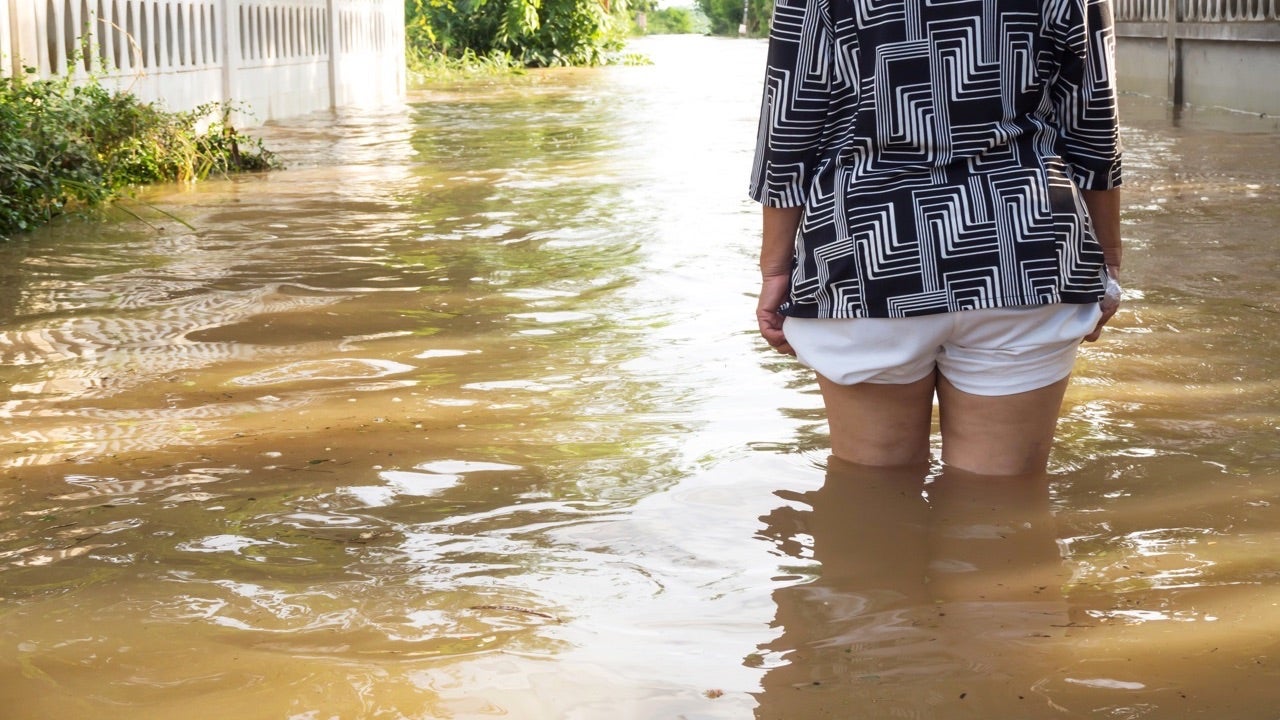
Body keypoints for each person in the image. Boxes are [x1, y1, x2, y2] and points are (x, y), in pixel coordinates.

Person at [750, 0, 1124, 476]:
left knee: (871, 502)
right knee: (997, 510)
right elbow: (1092, 121)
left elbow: (789, 126)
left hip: (866, 256)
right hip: (1024, 248)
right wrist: (1107, 257)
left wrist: (776, 268)